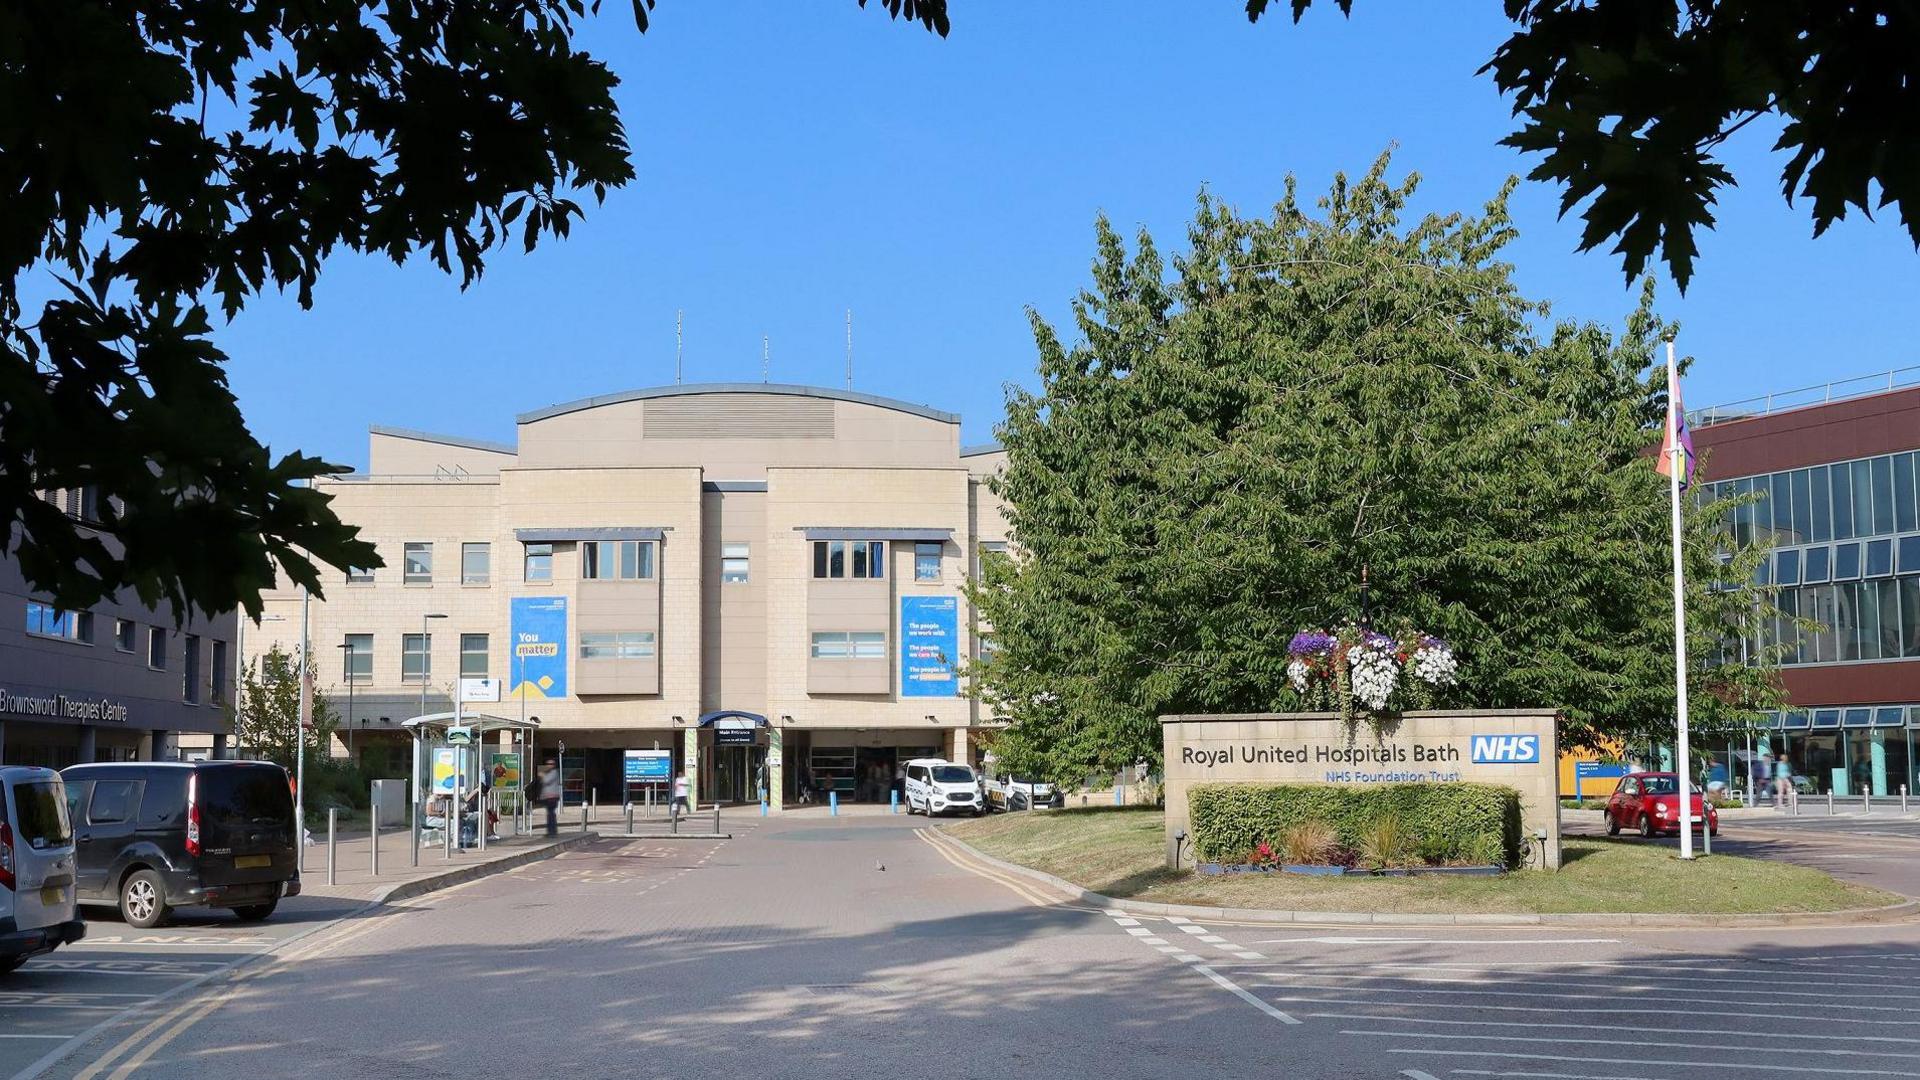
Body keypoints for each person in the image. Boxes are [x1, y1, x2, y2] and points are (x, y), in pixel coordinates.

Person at [537, 758, 561, 837]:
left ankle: (552, 832)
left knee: (551, 814)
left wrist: (542, 775)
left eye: (551, 764)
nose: (549, 766)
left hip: (552, 797)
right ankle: (551, 831)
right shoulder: (549, 772)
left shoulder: (554, 773)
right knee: (550, 814)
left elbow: (547, 781)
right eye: (548, 764)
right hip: (548, 797)